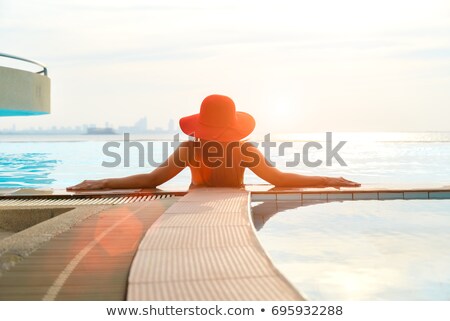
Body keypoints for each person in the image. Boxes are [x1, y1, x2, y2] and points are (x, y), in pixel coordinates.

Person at [67, 94, 360, 191]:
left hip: (198, 202)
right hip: (234, 204)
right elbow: (280, 179)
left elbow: (152, 180)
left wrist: (103, 182)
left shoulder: (192, 149)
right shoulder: (244, 150)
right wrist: (328, 178)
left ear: (200, 125)